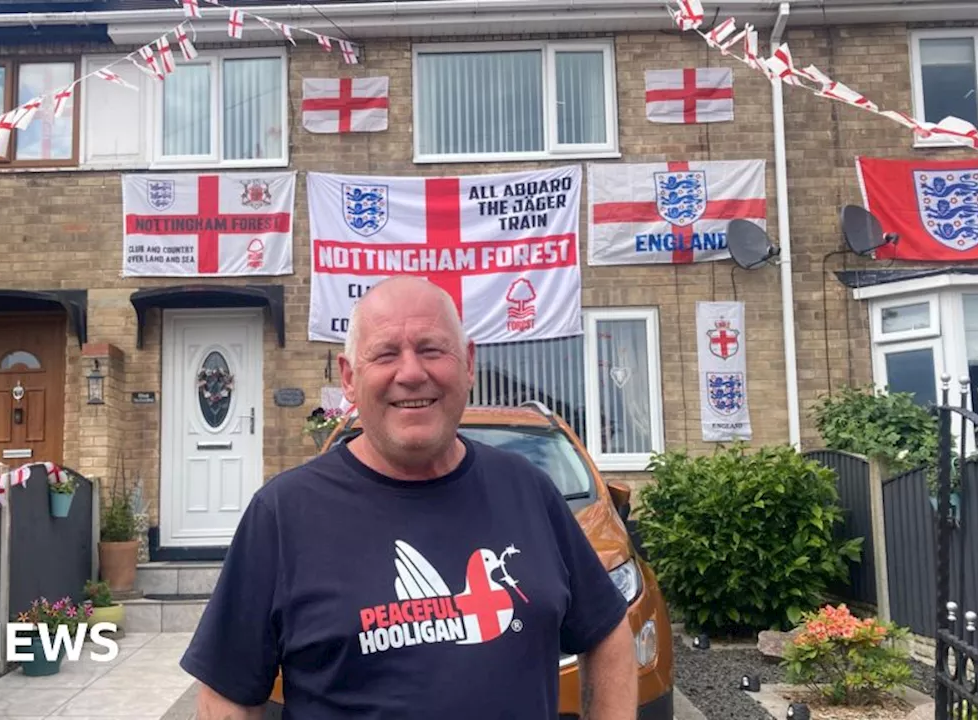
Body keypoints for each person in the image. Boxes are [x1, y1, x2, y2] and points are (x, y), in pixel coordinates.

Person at [180, 276, 638, 719]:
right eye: (385, 354)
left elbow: (607, 630)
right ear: (349, 378)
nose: (412, 373)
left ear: (469, 363)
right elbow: (228, 698)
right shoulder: (283, 514)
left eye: (431, 349)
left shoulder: (529, 490)